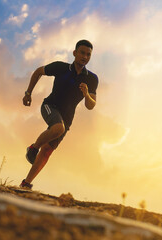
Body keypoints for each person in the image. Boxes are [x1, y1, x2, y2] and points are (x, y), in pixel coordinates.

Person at [20, 39, 98, 189]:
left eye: (88, 54)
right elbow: (38, 72)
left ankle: (26, 183)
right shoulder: (60, 67)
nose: (85, 57)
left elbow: (90, 105)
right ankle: (33, 148)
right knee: (57, 128)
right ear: (75, 53)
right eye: (82, 53)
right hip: (50, 106)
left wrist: (87, 94)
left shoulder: (92, 79)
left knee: (48, 150)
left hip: (67, 118)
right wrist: (28, 93)